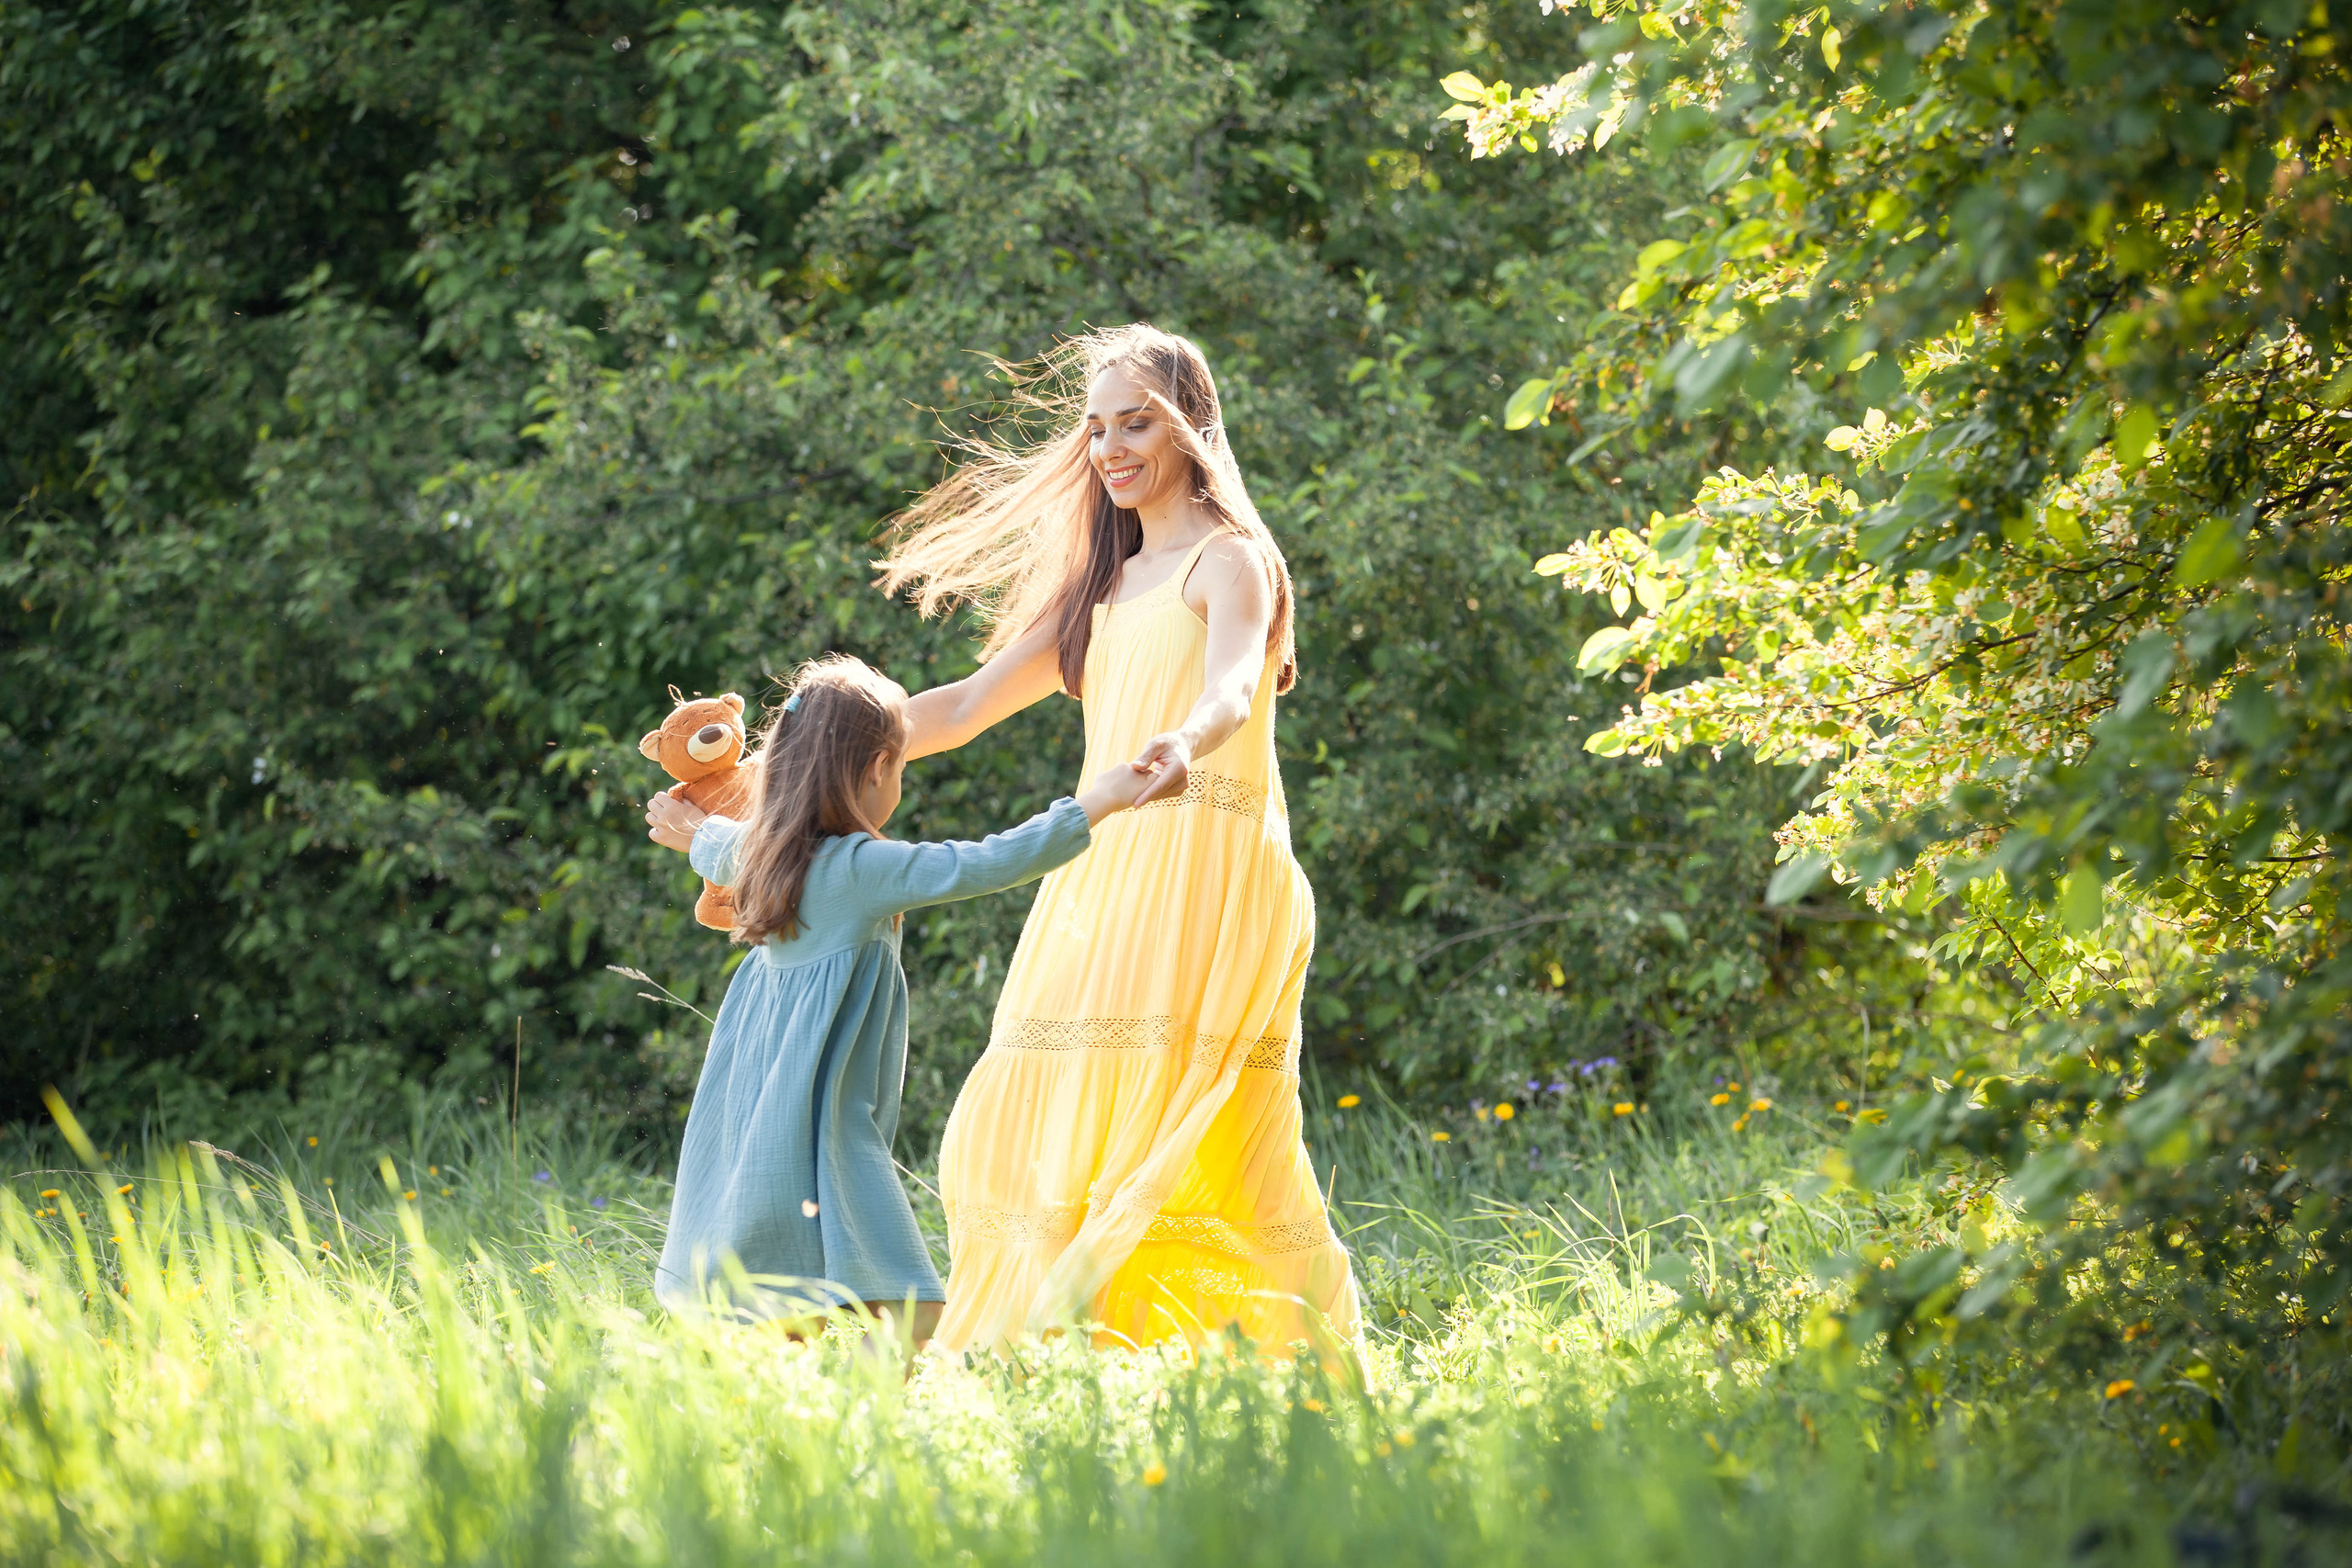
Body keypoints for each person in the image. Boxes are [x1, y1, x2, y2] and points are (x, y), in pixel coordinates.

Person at [877, 323, 1363, 1358]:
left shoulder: (1230, 560)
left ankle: (1271, 1360)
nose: (1110, 449)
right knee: (1022, 1114)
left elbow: (1234, 681)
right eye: (1096, 431)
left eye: (1135, 424)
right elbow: (959, 708)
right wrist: (801, 761)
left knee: (1182, 1127)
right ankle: (1055, 1353)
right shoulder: (1097, 591)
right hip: (1108, 875)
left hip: (1215, 875)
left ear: (1192, 427)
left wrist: (1184, 739)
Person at [643, 653, 1154, 1347]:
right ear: (879, 767)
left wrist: (685, 828)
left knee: (790, 1259)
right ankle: (901, 1396)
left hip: (762, 1092)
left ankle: (786, 1387)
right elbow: (989, 860)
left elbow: (714, 841)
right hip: (828, 1109)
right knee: (899, 1292)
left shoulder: (763, 850)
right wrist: (1103, 798)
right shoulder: (864, 868)